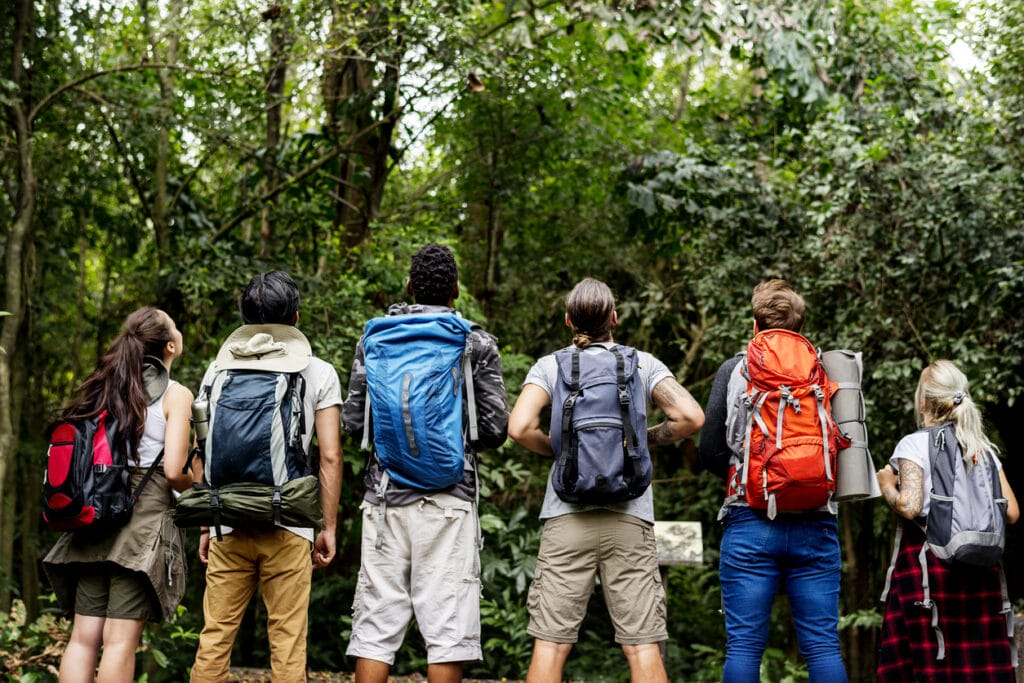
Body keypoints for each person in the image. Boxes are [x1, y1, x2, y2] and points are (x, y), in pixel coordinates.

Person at [508, 277, 705, 683]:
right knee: (642, 644)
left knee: (551, 642)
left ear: (568, 321)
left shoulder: (551, 365)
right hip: (630, 517)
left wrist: (557, 449)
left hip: (566, 517)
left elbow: (519, 426)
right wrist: (641, 442)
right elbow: (691, 417)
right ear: (614, 318)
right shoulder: (642, 364)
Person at [343, 243, 509, 683]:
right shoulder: (475, 342)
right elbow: (494, 429)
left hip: (384, 496)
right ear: (456, 290)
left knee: (376, 629)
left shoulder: (374, 340)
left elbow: (354, 421)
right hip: (449, 500)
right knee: (447, 630)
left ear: (410, 285)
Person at [189, 271, 343, 683]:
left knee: (215, 637)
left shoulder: (217, 370)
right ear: (296, 315)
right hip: (290, 523)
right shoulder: (319, 372)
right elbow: (329, 457)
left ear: (244, 316)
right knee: (288, 643)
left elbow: (203, 450)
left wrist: (207, 521)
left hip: (228, 521)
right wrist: (326, 526)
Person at [699, 278, 848, 682]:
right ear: (799, 326)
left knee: (745, 645)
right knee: (821, 645)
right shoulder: (826, 372)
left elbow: (710, 448)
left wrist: (753, 479)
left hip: (750, 519)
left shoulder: (736, 369)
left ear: (755, 325)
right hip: (816, 520)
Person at [43, 307, 194, 683]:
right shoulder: (176, 395)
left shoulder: (105, 386)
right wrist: (200, 478)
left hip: (95, 515)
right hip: (141, 527)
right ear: (170, 347)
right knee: (120, 642)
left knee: (83, 638)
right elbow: (175, 473)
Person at [875, 359, 1019, 681]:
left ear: (923, 401)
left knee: (932, 666)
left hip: (930, 573)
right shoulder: (983, 449)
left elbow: (910, 507)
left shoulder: (915, 444)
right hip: (982, 572)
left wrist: (886, 484)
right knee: (978, 667)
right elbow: (1011, 512)